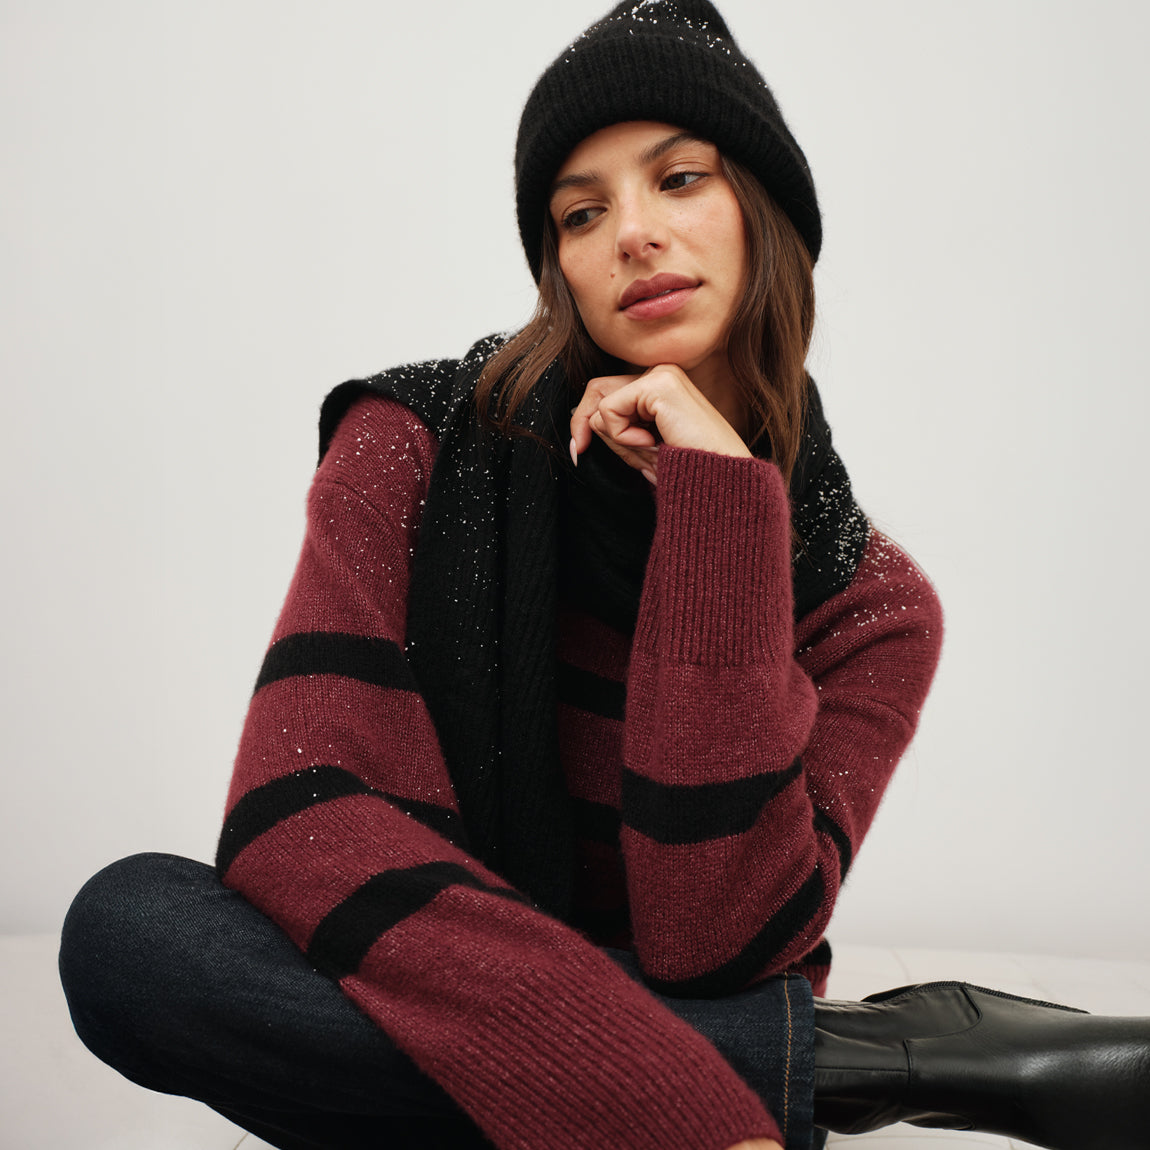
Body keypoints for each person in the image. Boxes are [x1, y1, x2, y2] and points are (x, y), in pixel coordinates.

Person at [58, 3, 1150, 1149]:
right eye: (582, 212)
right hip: (581, 1025)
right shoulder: (414, 442)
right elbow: (300, 817)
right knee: (135, 929)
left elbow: (711, 937)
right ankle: (837, 1062)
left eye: (678, 180)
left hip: (599, 997)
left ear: (766, 214)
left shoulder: (869, 607)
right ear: (560, 267)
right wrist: (673, 1102)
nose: (631, 233)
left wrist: (720, 512)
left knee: (263, 989)